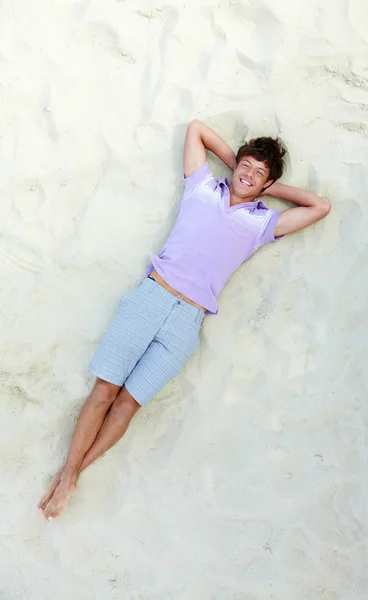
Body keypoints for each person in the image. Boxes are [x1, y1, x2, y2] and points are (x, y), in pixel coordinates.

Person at [38, 119, 331, 520]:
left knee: (127, 405)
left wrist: (268, 188)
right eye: (245, 164)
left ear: (268, 184)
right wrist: (237, 167)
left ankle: (72, 476)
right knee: (104, 391)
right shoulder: (202, 187)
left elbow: (321, 207)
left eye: (259, 173)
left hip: (186, 322)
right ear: (235, 163)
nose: (248, 174)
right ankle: (67, 474)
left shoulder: (262, 224)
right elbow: (197, 129)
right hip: (152, 297)